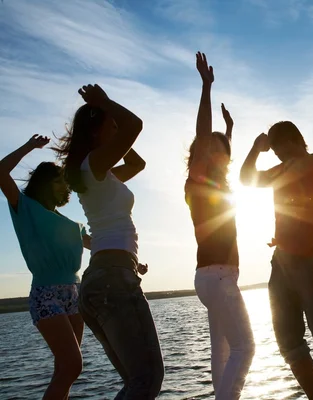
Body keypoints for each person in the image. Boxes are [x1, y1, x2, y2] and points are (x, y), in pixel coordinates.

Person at [54, 84, 164, 398]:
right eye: (110, 124)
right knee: (147, 379)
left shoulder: (101, 174)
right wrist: (105, 103)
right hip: (113, 281)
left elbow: (137, 165)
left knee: (136, 382)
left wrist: (115, 130)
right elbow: (135, 126)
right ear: (96, 130)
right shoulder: (94, 165)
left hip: (103, 280)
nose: (116, 128)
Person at [240, 122, 313, 400]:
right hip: (281, 264)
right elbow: (246, 179)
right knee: (289, 342)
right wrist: (254, 149)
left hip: (312, 264)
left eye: (279, 147)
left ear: (295, 140)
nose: (278, 154)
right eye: (275, 150)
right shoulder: (281, 171)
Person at [186, 52, 255, 400]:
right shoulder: (197, 180)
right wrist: (206, 87)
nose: (219, 152)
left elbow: (223, 153)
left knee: (224, 353)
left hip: (215, 276)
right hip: (217, 276)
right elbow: (203, 137)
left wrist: (229, 130)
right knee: (246, 348)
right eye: (210, 147)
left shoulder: (218, 185)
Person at [1, 135, 89, 399]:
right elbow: (0, 172)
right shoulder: (24, 207)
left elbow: (99, 244)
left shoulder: (73, 225)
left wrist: (131, 260)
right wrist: (29, 146)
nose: (65, 187)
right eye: (58, 181)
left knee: (64, 370)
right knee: (73, 366)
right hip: (46, 293)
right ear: (43, 183)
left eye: (66, 182)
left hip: (75, 294)